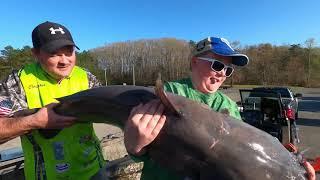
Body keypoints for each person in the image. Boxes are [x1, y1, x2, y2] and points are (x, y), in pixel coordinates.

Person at [124, 37, 316, 179]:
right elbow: (144, 149)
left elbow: (242, 157)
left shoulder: (228, 105)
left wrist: (293, 169)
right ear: (195, 62)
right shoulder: (169, 93)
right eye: (217, 65)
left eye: (228, 69)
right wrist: (135, 148)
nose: (222, 73)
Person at [0, 21, 105, 180]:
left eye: (69, 52)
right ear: (35, 53)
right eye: (54, 53)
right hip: (45, 175)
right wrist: (34, 121)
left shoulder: (87, 77)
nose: (64, 60)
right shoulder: (17, 81)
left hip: (94, 170)